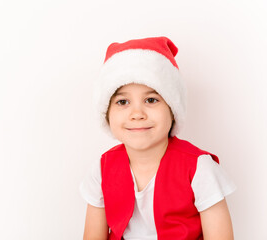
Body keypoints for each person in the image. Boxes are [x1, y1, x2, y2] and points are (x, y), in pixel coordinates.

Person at [79, 36, 236, 240]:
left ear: (172, 109)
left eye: (151, 100)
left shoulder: (200, 168)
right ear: (106, 113)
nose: (137, 113)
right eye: (122, 101)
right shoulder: (102, 168)